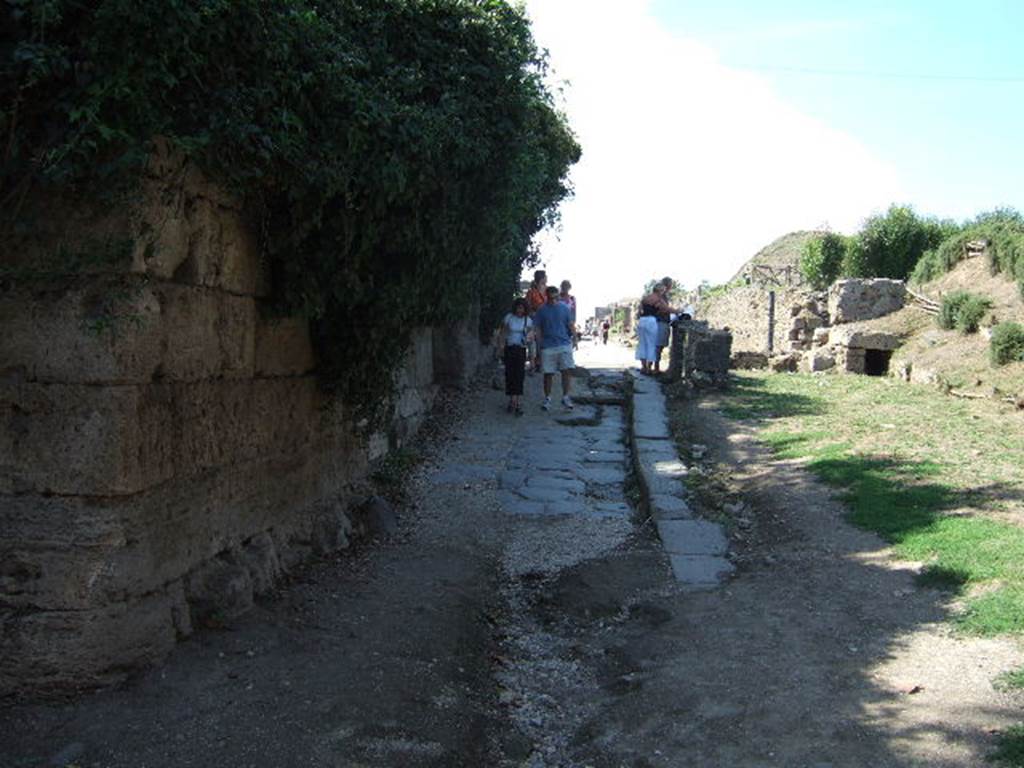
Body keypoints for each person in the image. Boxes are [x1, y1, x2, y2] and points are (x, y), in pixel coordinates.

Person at [533, 285, 577, 410]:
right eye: (551, 298)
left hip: (564, 343)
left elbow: (570, 324)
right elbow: (538, 328)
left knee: (566, 371)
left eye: (555, 297)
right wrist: (539, 345)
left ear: (558, 296)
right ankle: (547, 398)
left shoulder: (565, 308)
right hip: (547, 346)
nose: (553, 300)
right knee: (548, 373)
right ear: (546, 296)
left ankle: (566, 397)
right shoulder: (541, 310)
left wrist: (575, 339)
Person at [497, 297, 532, 415]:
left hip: (521, 349)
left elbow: (531, 337)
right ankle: (512, 399)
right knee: (510, 374)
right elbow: (502, 333)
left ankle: (516, 401)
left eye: (522, 308)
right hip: (509, 348)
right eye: (518, 307)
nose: (519, 310)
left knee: (519, 375)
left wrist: (532, 355)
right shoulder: (509, 318)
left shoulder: (528, 320)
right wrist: (501, 348)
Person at [636, 283, 667, 374]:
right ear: (660, 291)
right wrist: (678, 311)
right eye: (662, 291)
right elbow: (666, 309)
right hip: (651, 321)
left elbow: (639, 312)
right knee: (651, 344)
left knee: (642, 344)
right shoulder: (658, 299)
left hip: (642, 321)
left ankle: (643, 367)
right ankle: (649, 368)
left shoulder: (645, 298)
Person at [525, 270, 547, 370]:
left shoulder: (547, 291)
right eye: (545, 277)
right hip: (533, 319)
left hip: (544, 320)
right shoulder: (531, 292)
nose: (547, 278)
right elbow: (526, 306)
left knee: (541, 342)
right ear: (541, 278)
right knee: (531, 342)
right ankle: (533, 363)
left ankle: (539, 363)